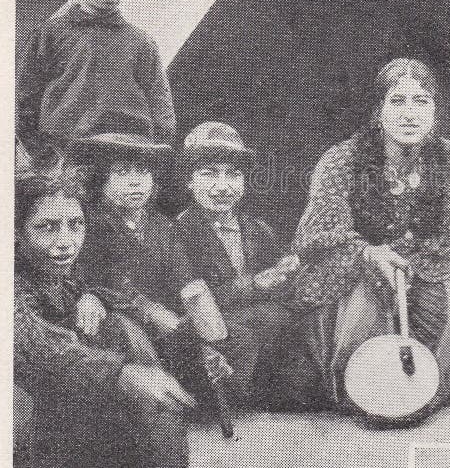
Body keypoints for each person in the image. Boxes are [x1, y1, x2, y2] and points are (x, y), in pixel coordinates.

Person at [281, 58, 450, 416]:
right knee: (368, 299)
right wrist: (369, 253)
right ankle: (369, 394)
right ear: (378, 111)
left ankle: (424, 393)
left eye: (421, 101)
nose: (409, 113)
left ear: (433, 111)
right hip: (354, 268)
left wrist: (413, 259)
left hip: (425, 266)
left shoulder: (446, 157)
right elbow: (315, 235)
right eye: (397, 101)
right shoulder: (341, 160)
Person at [14, 168, 194, 468]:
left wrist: (97, 297)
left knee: (121, 328)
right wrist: (122, 372)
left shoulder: (67, 278)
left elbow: (117, 296)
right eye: (47, 227)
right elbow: (32, 340)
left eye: (76, 226)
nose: (66, 241)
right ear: (17, 233)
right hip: (33, 410)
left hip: (71, 408)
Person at [170, 121, 299, 408]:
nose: (222, 186)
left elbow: (283, 286)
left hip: (260, 329)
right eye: (209, 174)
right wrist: (255, 283)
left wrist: (288, 272)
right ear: (189, 181)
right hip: (209, 331)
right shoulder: (177, 233)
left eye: (233, 175)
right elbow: (188, 300)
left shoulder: (257, 229)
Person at [16, 0, 176, 148]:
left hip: (128, 158)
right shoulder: (49, 34)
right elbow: (25, 103)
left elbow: (162, 111)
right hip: (67, 155)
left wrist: (153, 159)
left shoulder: (141, 42)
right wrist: (45, 159)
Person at [67, 129, 184, 340]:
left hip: (172, 318)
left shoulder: (162, 225)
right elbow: (104, 280)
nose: (135, 182)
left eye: (143, 171)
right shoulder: (89, 223)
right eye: (122, 172)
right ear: (100, 180)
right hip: (121, 318)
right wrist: (153, 312)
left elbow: (183, 277)